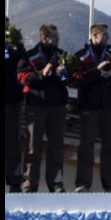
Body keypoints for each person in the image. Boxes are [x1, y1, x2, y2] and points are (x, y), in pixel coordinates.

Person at [72, 23, 111, 192]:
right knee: (86, 146)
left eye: (108, 36)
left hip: (108, 107)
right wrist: (97, 71)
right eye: (105, 35)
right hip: (89, 107)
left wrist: (110, 75)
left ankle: (110, 184)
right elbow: (75, 79)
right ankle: (83, 184)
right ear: (94, 35)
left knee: (109, 147)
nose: (108, 38)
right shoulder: (81, 56)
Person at [17, 24, 70, 192]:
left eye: (58, 36)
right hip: (36, 105)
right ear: (44, 37)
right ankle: (29, 184)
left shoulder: (62, 56)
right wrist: (40, 74)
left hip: (57, 106)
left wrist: (64, 75)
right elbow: (22, 77)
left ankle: (56, 183)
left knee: (57, 146)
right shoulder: (31, 55)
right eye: (54, 37)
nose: (57, 39)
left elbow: (72, 79)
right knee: (33, 146)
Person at [5, 16, 26, 193]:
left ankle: (14, 181)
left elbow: (22, 66)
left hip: (12, 100)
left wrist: (12, 51)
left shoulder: (16, 46)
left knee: (12, 142)